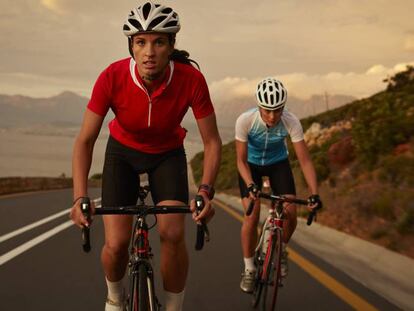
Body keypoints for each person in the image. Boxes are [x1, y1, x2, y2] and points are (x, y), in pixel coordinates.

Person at [69, 2, 222, 310]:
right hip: (121, 154)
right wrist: (78, 198)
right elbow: (85, 141)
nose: (149, 51)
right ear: (131, 47)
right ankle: (115, 297)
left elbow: (213, 142)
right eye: (141, 42)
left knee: (172, 232)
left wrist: (205, 191)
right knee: (116, 244)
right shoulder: (111, 77)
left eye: (158, 42)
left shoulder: (191, 80)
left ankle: (174, 305)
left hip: (167, 154)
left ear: (171, 45)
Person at [235, 77, 322, 293]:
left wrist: (314, 193)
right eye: (267, 111)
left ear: (283, 107)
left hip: (277, 164)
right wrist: (250, 185)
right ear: (259, 107)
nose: (273, 116)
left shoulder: (291, 121)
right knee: (252, 214)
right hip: (251, 167)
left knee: (291, 212)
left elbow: (305, 160)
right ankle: (249, 269)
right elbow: (240, 161)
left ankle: (281, 248)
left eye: (277, 110)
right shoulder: (245, 120)